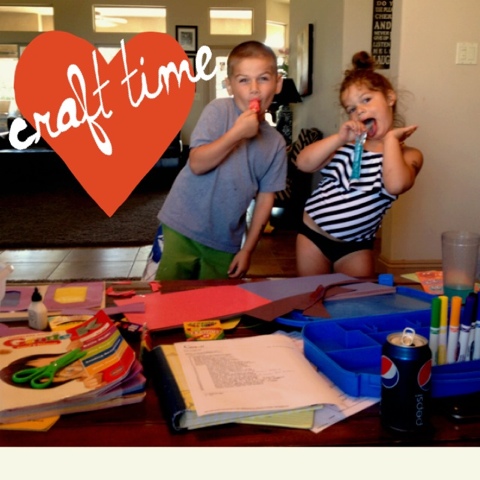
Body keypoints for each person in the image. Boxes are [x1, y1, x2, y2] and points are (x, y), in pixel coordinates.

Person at [155, 41, 287, 280]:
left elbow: (265, 199)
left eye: (263, 79)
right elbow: (197, 164)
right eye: (244, 80)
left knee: (214, 299)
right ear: (229, 86)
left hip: (225, 240)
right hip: (181, 225)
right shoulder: (218, 111)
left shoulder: (276, 144)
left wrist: (248, 250)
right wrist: (237, 133)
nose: (254, 89)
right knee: (166, 293)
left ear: (278, 84)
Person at [295, 51, 423, 278]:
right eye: (351, 109)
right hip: (313, 235)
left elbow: (395, 184)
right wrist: (339, 138)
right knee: (311, 293)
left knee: (355, 297)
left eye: (366, 100)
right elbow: (303, 163)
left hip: (356, 247)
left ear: (390, 98)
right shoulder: (344, 146)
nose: (359, 110)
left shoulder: (408, 155)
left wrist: (390, 140)